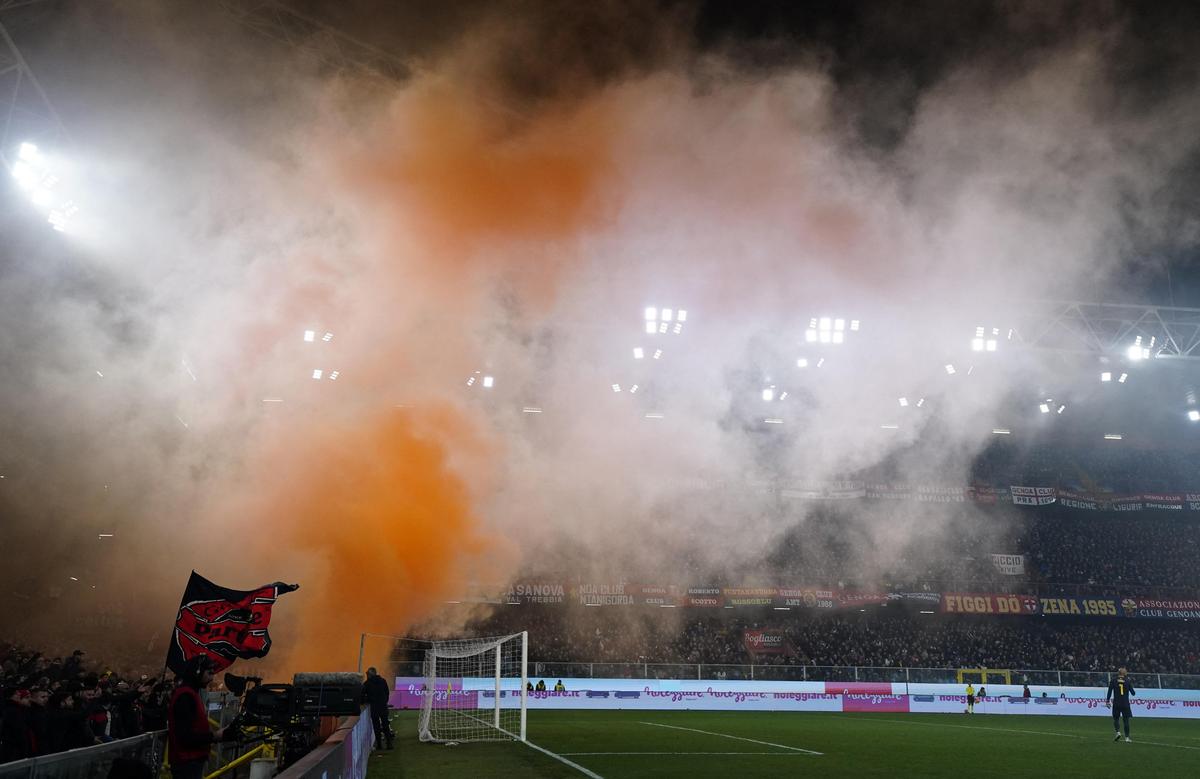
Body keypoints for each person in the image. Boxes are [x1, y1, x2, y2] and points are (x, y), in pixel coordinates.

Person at [167, 656, 226, 779]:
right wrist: (215, 736)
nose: (212, 678)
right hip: (186, 762)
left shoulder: (190, 693)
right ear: (197, 672)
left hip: (190, 761)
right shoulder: (185, 696)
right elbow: (185, 736)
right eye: (209, 673)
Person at [360, 668, 393, 751]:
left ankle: (379, 745)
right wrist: (384, 701)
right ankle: (389, 744)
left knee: (376, 726)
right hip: (383, 707)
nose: (367, 675)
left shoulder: (367, 683)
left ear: (370, 674)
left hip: (374, 707)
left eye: (368, 674)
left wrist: (367, 700)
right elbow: (387, 693)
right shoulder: (383, 681)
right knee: (385, 725)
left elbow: (362, 697)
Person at [1106, 667, 1136, 742]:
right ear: (1124, 673)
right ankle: (1127, 738)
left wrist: (1107, 701)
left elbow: (1109, 691)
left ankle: (1118, 732)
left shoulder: (1113, 680)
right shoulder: (1127, 681)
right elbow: (1133, 693)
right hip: (1125, 703)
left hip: (1116, 703)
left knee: (1116, 718)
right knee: (1126, 720)